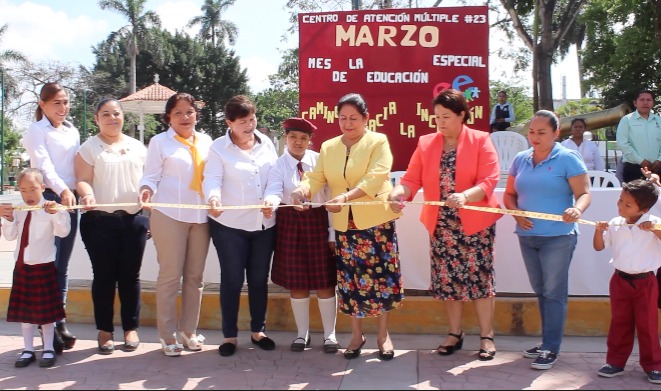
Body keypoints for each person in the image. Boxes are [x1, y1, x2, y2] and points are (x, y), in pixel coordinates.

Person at [387, 88, 503, 361]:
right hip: (442, 225)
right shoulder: (427, 143)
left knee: (480, 280)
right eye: (437, 116)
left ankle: (486, 336)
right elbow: (412, 179)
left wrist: (465, 196)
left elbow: (489, 179)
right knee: (448, 282)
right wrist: (398, 193)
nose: (440, 121)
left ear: (462, 115)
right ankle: (455, 333)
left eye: (446, 116)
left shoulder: (481, 139)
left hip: (475, 223)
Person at [290, 92, 403, 361]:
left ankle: (383, 335)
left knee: (381, 281)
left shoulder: (378, 141)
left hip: (376, 222)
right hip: (345, 227)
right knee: (351, 284)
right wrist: (301, 191)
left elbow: (376, 178)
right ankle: (356, 335)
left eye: (354, 118)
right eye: (343, 118)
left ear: (366, 118)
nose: (348, 123)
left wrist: (345, 197)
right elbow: (317, 178)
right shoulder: (329, 147)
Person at [503, 110, 591, 370]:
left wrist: (577, 209)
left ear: (556, 133)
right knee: (541, 292)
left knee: (554, 293)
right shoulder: (520, 159)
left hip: (558, 237)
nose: (535, 137)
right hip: (528, 236)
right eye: (532, 131)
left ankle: (551, 347)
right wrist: (515, 212)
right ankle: (545, 343)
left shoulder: (568, 158)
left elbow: (584, 193)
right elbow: (509, 195)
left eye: (542, 132)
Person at [202, 95, 278, 357]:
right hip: (229, 227)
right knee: (232, 280)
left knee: (258, 279)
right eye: (243, 122)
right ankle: (230, 336)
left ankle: (258, 331)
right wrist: (213, 197)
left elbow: (275, 179)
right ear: (229, 123)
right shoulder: (218, 148)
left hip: (263, 225)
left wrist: (273, 200)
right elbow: (211, 178)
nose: (250, 126)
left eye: (253, 119)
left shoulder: (266, 143)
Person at [138, 92, 213, 357]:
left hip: (201, 217)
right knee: (170, 277)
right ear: (168, 117)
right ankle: (167, 335)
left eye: (189, 111)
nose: (185, 117)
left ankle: (189, 331)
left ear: (196, 114)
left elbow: (214, 176)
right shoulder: (159, 142)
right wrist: (146, 189)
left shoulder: (206, 141)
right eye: (178, 112)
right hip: (169, 215)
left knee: (195, 278)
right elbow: (151, 175)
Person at [74, 98, 149, 354]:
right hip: (99, 223)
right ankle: (105, 331)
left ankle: (131, 328)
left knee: (130, 277)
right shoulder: (89, 148)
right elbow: (82, 180)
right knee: (104, 277)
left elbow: (148, 181)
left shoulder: (138, 147)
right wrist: (87, 195)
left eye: (116, 113)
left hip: (133, 221)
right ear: (97, 119)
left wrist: (147, 195)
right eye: (106, 114)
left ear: (123, 117)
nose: (112, 118)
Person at [262, 117, 339, 353]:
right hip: (290, 223)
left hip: (317, 221)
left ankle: (329, 336)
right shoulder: (278, 165)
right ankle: (301, 335)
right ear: (286, 138)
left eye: (304, 138)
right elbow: (274, 190)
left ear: (309, 141)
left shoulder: (319, 162)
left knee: (325, 281)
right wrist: (270, 202)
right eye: (294, 137)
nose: (298, 142)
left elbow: (329, 195)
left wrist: (332, 233)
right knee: (298, 283)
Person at [21, 82, 80, 351]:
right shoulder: (36, 130)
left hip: (70, 201)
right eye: (56, 102)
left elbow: (76, 168)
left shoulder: (72, 131)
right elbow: (43, 166)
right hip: (51, 200)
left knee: (63, 265)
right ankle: (47, 323)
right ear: (42, 105)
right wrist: (63, 190)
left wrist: (78, 192)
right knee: (48, 263)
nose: (62, 108)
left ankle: (59, 319)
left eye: (66, 102)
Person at [592, 179, 661, 384]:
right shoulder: (615, 224)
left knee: (647, 324)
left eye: (628, 205)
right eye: (620, 200)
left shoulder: (655, 222)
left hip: (646, 282)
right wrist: (598, 231)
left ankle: (654, 365)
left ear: (645, 209)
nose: (621, 206)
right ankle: (615, 362)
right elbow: (598, 247)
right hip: (620, 281)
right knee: (620, 322)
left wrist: (655, 230)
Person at [1, 168, 71, 368]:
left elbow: (63, 232)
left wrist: (57, 213)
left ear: (42, 187)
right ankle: (28, 349)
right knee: (26, 313)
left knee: (46, 315)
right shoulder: (18, 209)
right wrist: (7, 220)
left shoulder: (51, 208)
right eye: (23, 190)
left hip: (43, 266)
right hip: (22, 266)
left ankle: (48, 348)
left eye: (32, 189)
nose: (28, 195)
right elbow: (10, 236)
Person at [616, 90, 661, 182]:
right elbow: (623, 144)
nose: (645, 102)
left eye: (649, 100)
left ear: (653, 103)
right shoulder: (627, 120)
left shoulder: (659, 120)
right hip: (634, 169)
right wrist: (641, 161)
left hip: (657, 168)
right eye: (642, 100)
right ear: (635, 103)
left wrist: (659, 160)